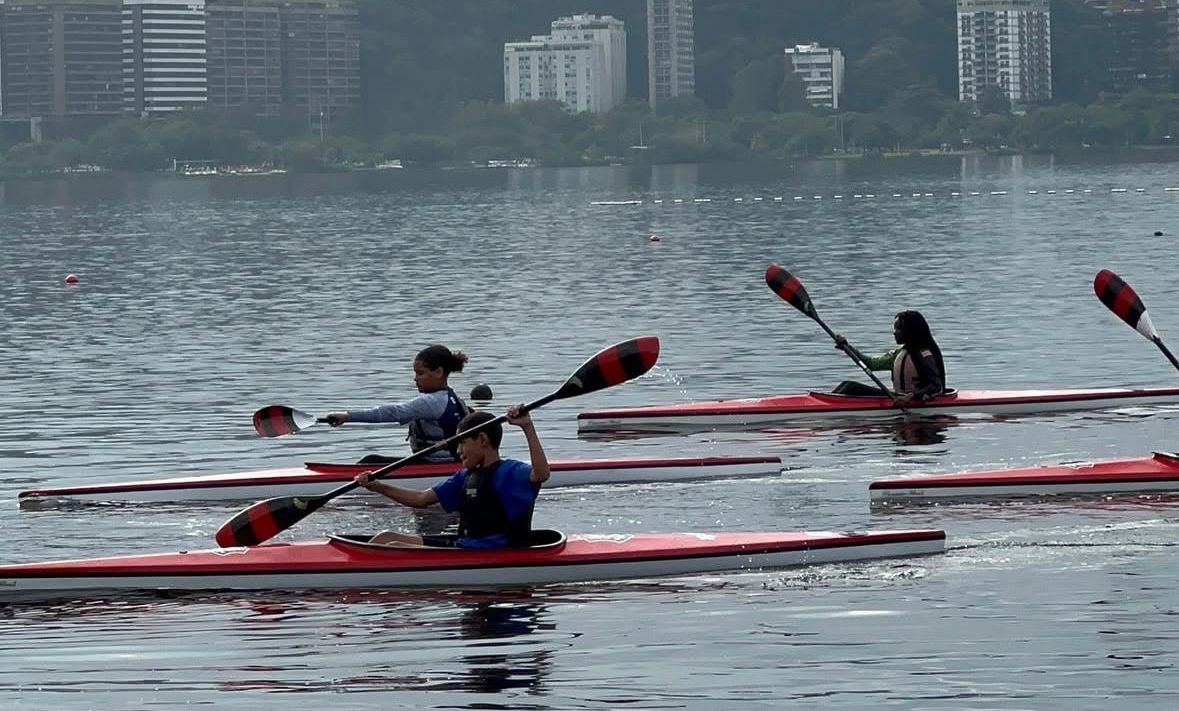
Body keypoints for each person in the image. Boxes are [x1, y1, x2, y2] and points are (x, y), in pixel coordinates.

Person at [353, 406, 550, 548]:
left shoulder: (510, 471)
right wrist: (378, 486)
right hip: (464, 546)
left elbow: (541, 474)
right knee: (385, 537)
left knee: (395, 547)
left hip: (494, 553)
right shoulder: (464, 477)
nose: (458, 451)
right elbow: (421, 499)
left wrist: (527, 427)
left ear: (482, 440)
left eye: (462, 443)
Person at [325, 344, 472, 463]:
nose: (415, 379)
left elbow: (393, 412)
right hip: (449, 461)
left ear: (439, 372)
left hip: (436, 464)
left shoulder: (430, 402)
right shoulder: (455, 399)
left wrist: (348, 416)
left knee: (370, 461)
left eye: (420, 373)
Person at [832, 310, 946, 404]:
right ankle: (826, 403)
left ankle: (828, 407)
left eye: (898, 329)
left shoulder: (924, 354)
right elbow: (870, 364)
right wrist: (847, 347)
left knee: (850, 387)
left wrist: (910, 397)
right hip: (898, 397)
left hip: (912, 399)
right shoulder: (899, 354)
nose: (894, 333)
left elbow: (936, 385)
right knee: (846, 385)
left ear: (910, 330)